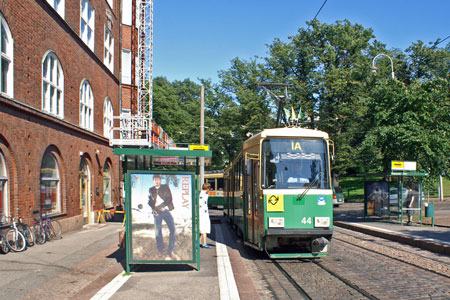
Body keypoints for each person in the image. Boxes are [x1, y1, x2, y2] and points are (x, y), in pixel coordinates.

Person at [148, 174, 176, 259]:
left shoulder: (165, 187)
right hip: (157, 212)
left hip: (165, 210)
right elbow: (150, 201)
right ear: (153, 180)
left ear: (160, 180)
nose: (157, 181)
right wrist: (153, 209)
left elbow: (169, 199)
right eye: (155, 180)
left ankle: (170, 250)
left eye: (158, 179)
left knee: (172, 229)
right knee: (158, 231)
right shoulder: (151, 189)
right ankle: (161, 250)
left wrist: (159, 207)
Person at [199, 183, 211, 248]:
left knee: (201, 229)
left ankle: (196, 242)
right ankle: (204, 243)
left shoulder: (202, 194)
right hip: (203, 214)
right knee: (204, 229)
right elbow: (201, 204)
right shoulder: (203, 195)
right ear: (207, 189)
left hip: (203, 213)